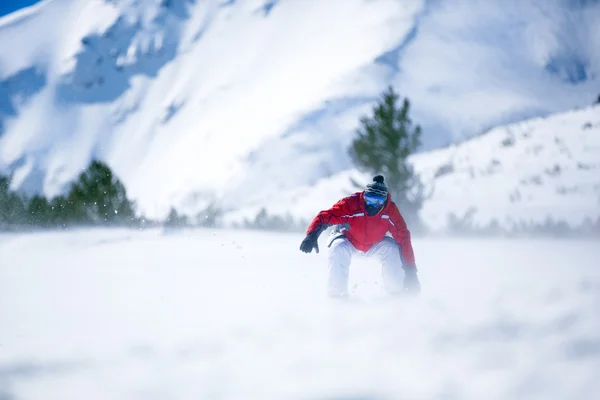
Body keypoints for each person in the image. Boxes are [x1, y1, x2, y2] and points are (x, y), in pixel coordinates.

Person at [299, 175, 420, 298]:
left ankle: (395, 292)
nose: (371, 205)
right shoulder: (351, 204)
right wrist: (312, 235)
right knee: (338, 248)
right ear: (364, 195)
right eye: (368, 199)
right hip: (348, 239)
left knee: (392, 248)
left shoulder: (390, 211)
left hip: (374, 243)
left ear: (384, 202)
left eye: (376, 201)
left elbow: (404, 238)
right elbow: (325, 217)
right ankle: (337, 295)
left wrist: (411, 272)